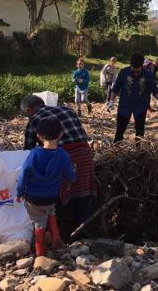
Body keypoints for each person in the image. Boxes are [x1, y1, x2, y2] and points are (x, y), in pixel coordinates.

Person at [21, 95, 96, 238]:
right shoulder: (67, 110)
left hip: (61, 157)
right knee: (83, 191)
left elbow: (28, 150)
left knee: (61, 194)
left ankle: (65, 233)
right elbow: (83, 135)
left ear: (29, 110)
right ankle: (84, 233)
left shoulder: (34, 121)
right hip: (84, 153)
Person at [17, 116, 76, 257]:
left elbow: (24, 174)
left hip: (33, 197)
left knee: (39, 222)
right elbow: (70, 176)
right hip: (52, 196)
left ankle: (40, 252)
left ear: (38, 136)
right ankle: (56, 239)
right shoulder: (63, 155)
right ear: (61, 134)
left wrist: (19, 191)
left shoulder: (34, 154)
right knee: (50, 210)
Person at [108, 53, 158, 143]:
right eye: (133, 70)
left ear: (142, 66)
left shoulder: (148, 75)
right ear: (130, 65)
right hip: (125, 105)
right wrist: (111, 101)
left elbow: (155, 90)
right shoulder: (123, 73)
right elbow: (116, 88)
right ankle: (116, 149)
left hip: (141, 106)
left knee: (140, 131)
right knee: (120, 130)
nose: (135, 73)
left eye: (137, 71)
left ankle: (138, 151)